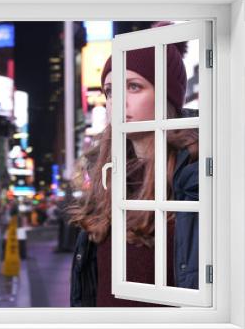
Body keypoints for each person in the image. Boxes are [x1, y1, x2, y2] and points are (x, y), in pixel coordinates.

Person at [68, 21, 199, 307]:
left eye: (134, 86)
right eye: (110, 90)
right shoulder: (106, 177)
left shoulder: (195, 179)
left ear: (167, 97)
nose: (117, 101)